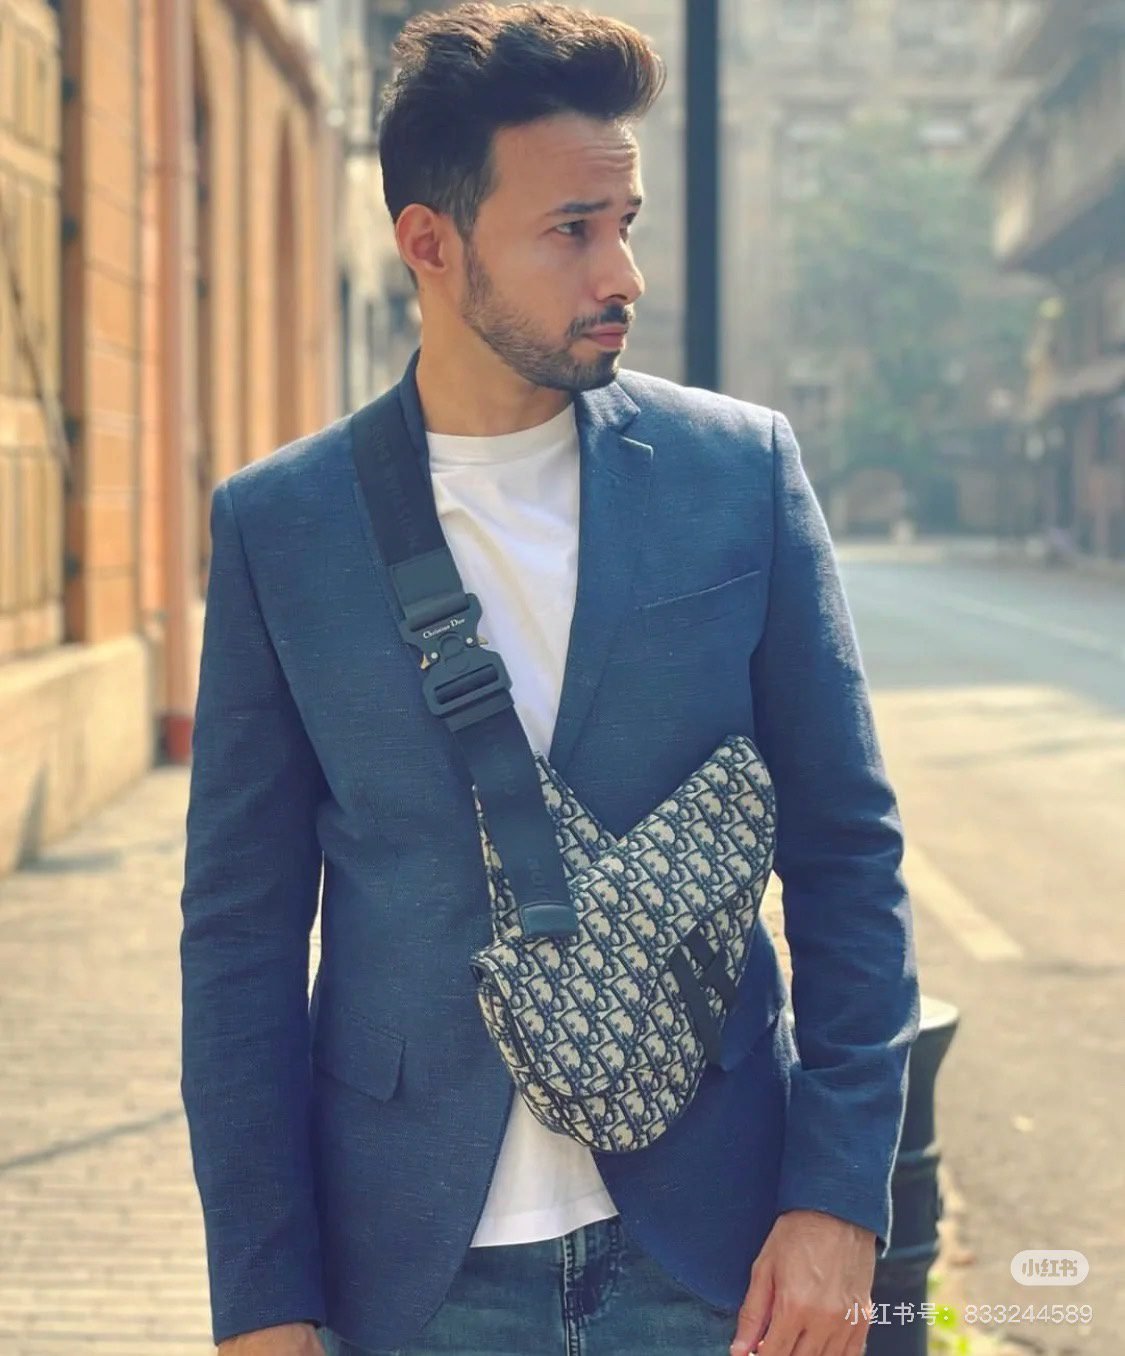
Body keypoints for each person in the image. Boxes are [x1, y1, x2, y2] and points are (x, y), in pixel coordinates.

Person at [179, 5, 921, 1355]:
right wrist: (263, 1295)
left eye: (624, 221)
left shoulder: (737, 473)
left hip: (720, 1254)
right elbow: (239, 934)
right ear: (430, 243)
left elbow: (845, 851)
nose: (620, 270)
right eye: (571, 229)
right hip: (412, 1266)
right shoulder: (282, 525)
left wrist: (837, 1199)